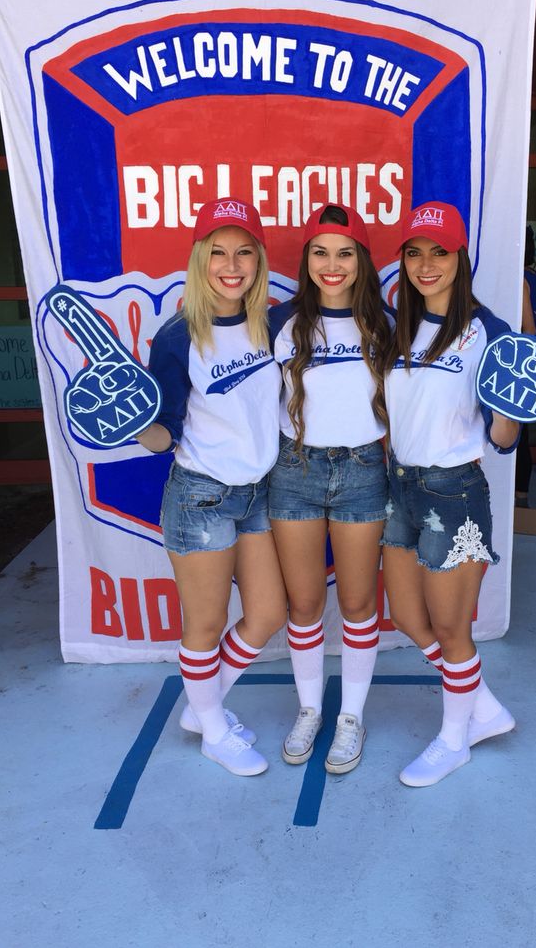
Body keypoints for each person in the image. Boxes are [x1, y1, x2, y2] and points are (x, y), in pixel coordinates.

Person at [137, 197, 286, 777]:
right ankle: (213, 729)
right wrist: (135, 422)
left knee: (268, 613)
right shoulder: (177, 336)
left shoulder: (272, 323)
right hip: (201, 496)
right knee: (203, 625)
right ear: (200, 259)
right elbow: (163, 434)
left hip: (256, 494)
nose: (232, 264)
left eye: (244, 251)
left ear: (258, 260)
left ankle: (203, 707)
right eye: (218, 251)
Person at [381, 200, 519, 787]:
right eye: (415, 252)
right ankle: (481, 705)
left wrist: (516, 407)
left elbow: (504, 438)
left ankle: (452, 738)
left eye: (439, 251)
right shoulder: (399, 323)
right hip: (400, 486)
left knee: (452, 630)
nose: (426, 264)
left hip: (453, 492)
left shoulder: (489, 332)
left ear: (461, 256)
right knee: (411, 618)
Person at [269, 204, 392, 774]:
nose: (332, 264)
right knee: (304, 603)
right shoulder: (278, 322)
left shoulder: (387, 324)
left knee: (360, 602)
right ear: (306, 260)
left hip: (363, 470)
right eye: (320, 252)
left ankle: (352, 717)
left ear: (362, 261)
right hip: (294, 470)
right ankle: (311, 708)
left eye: (345, 252)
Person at [515, 224, 536, 507]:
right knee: (522, 430)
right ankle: (522, 495)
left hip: (521, 358)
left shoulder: (517, 278)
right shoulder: (535, 276)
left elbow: (528, 328)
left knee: (516, 432)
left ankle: (520, 498)